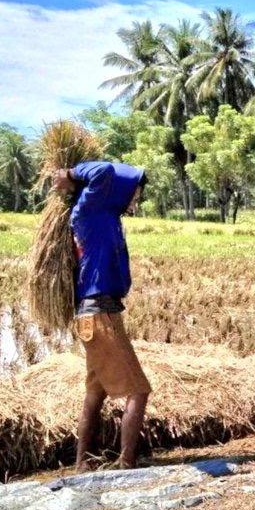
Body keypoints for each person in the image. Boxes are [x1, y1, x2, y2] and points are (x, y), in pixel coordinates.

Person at [52, 161, 151, 471]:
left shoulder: (105, 214)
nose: (135, 200)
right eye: (135, 193)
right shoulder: (90, 209)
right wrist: (69, 175)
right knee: (138, 391)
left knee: (95, 392)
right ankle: (126, 466)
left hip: (94, 313)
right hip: (100, 313)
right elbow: (104, 171)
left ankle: (82, 463)